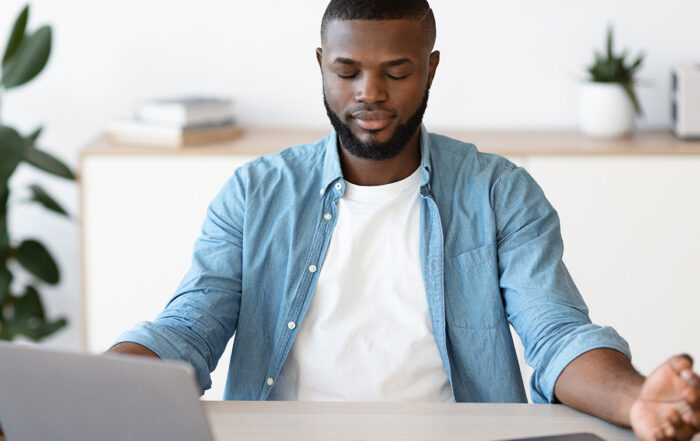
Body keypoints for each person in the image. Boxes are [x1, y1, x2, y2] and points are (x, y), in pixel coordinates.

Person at [108, 1, 700, 440]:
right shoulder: (256, 192)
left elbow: (556, 334)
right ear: (320, 65)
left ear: (431, 68)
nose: (371, 94)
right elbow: (187, 329)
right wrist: (88, 389)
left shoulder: (497, 190)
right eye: (347, 72)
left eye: (396, 72)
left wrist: (635, 399)